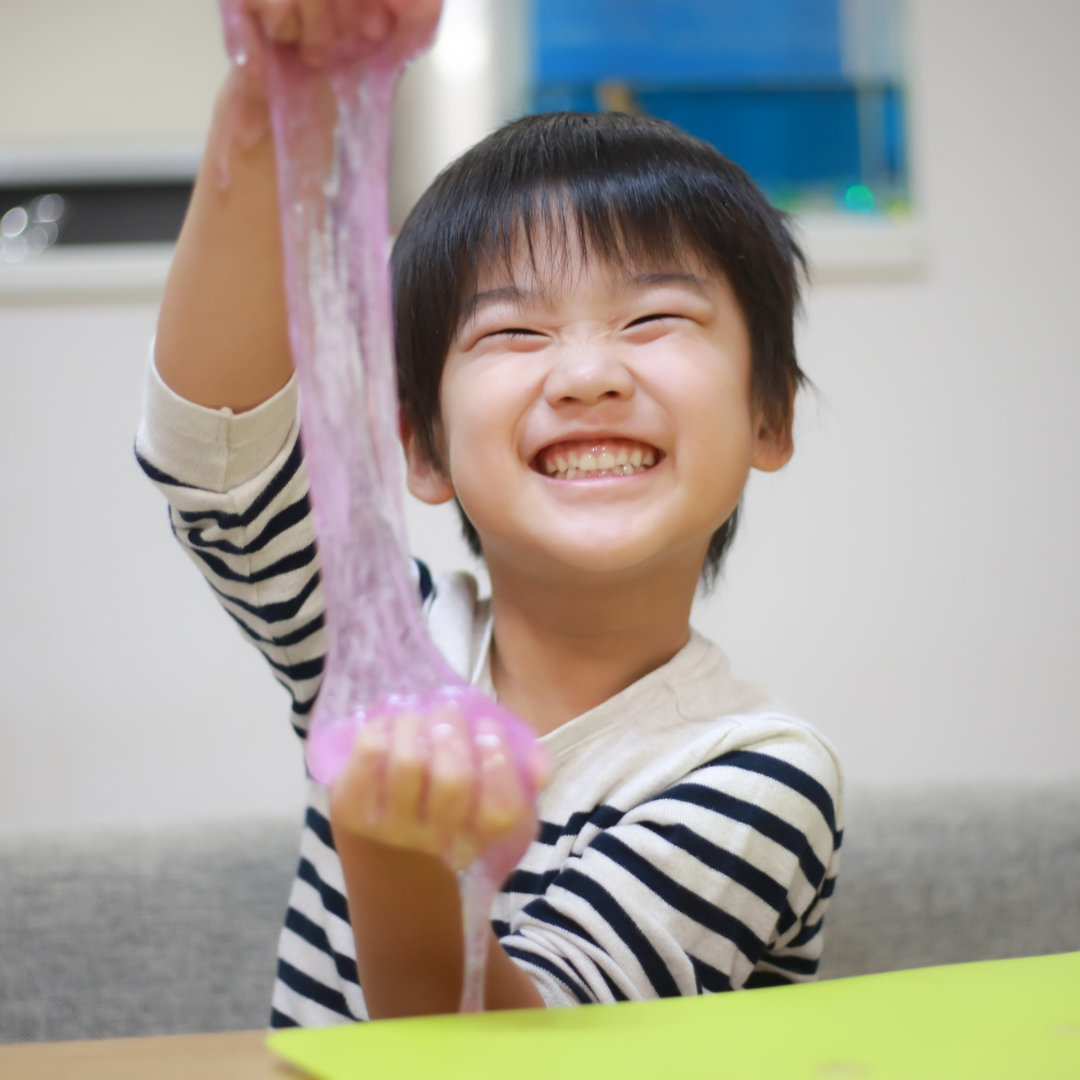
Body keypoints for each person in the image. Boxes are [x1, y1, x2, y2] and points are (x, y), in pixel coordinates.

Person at [136, 0, 843, 1027]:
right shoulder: (381, 645)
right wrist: (272, 95)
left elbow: (526, 1059)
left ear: (769, 415)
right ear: (421, 446)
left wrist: (398, 847)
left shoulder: (756, 774)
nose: (589, 374)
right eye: (514, 332)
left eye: (653, 320)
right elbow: (222, 461)